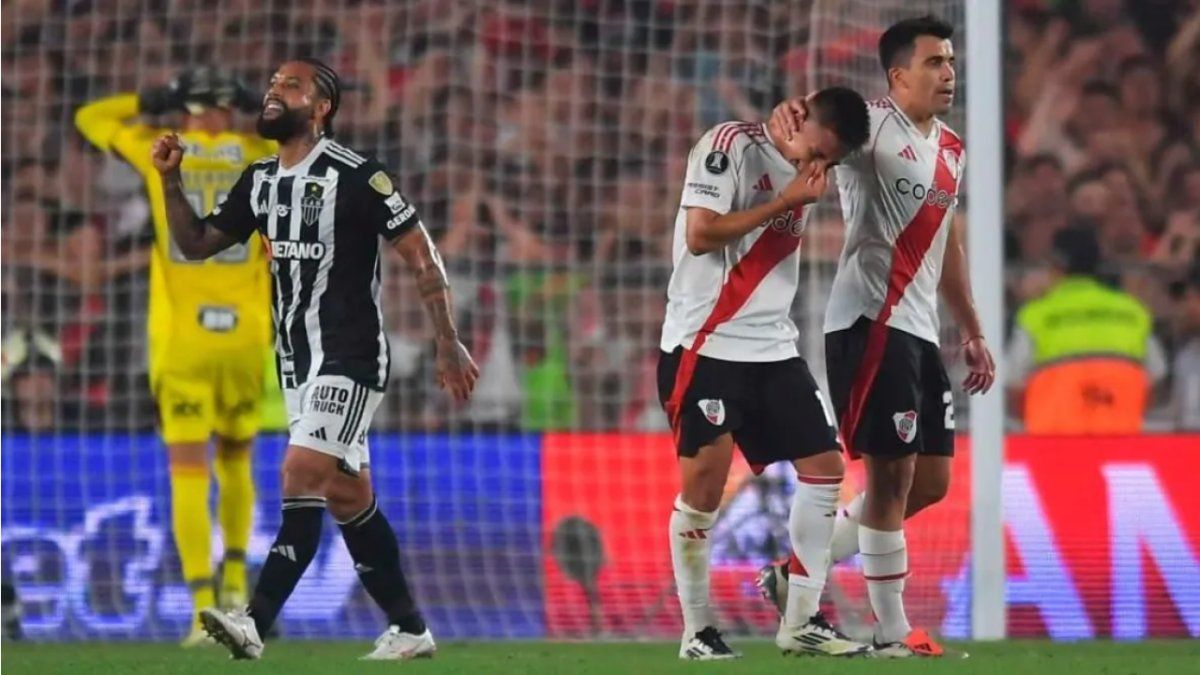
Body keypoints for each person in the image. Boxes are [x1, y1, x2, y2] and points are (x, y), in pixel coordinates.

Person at [150, 58, 478, 660]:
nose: (274, 92)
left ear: (321, 106)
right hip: (296, 367)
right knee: (348, 497)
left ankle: (253, 621)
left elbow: (421, 256)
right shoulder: (259, 181)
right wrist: (171, 180)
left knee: (300, 473)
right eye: (273, 84)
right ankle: (410, 627)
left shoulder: (358, 176)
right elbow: (196, 246)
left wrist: (447, 339)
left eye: (291, 85)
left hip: (351, 357)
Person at [759, 16, 995, 658]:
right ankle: (891, 631)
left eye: (950, 61)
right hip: (868, 323)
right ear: (898, 75)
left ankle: (792, 575)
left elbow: (947, 246)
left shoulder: (951, 148)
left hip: (920, 332)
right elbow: (805, 132)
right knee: (889, 483)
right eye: (933, 62)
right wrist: (790, 118)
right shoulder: (867, 127)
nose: (948, 72)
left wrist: (971, 331)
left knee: (932, 482)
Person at [658, 87, 871, 660]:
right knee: (703, 488)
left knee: (827, 468)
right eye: (813, 154)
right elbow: (700, 236)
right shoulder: (728, 145)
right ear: (797, 118)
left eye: (827, 160)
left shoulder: (815, 164)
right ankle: (698, 631)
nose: (815, 168)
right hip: (705, 344)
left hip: (774, 348)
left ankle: (801, 618)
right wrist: (784, 201)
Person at [75, 68, 274, 646]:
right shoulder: (262, 152)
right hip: (246, 336)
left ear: (184, 110)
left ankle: (201, 612)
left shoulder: (158, 148)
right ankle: (236, 587)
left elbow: (89, 119)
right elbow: (314, 130)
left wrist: (146, 99)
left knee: (187, 471)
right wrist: (255, 106)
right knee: (236, 460)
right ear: (230, 109)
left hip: (182, 339)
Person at [1007, 225, 1166, 433]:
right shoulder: (1133, 312)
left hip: (1053, 446)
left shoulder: (1035, 315)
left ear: (1056, 265)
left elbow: (1013, 387)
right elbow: (1157, 377)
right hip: (1121, 444)